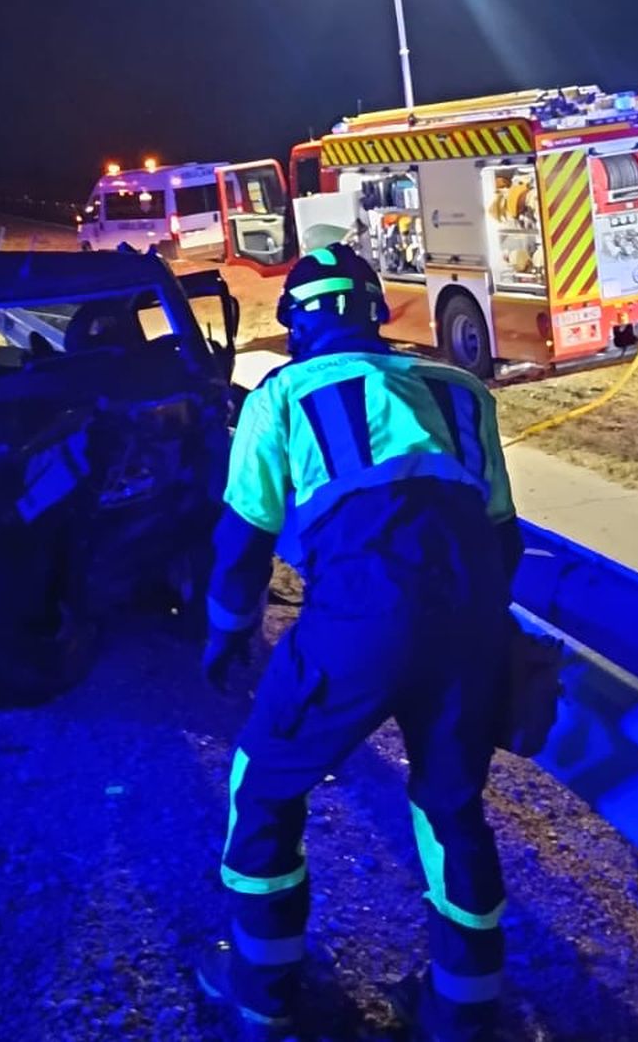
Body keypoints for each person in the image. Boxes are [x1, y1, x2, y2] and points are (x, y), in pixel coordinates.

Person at [196, 243, 523, 1041]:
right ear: (376, 311)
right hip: (468, 618)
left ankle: (262, 990)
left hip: (356, 623)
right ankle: (463, 1013)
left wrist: (227, 634)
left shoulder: (279, 398)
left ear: (296, 325)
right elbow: (503, 539)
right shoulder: (463, 392)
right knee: (452, 807)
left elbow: (241, 546)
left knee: (264, 784)